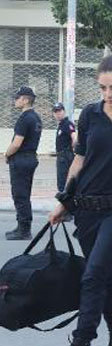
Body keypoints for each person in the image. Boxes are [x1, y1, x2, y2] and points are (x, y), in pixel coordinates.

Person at [47, 49, 112, 346]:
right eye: (102, 88)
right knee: (104, 275)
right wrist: (64, 199)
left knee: (93, 273)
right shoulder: (90, 114)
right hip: (87, 208)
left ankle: (80, 344)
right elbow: (81, 159)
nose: (108, 94)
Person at [5, 86, 42, 240]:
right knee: (23, 194)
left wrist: (7, 154)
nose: (15, 100)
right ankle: (22, 226)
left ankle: (24, 230)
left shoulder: (25, 118)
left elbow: (16, 143)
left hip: (21, 159)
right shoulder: (36, 117)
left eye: (17, 98)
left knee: (20, 195)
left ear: (26, 100)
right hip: (30, 157)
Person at [53, 102, 77, 192]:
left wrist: (71, 150)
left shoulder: (67, 124)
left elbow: (74, 138)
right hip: (62, 155)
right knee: (62, 180)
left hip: (65, 156)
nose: (58, 114)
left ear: (64, 111)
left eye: (59, 111)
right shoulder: (62, 125)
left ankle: (65, 201)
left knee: (63, 181)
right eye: (55, 112)